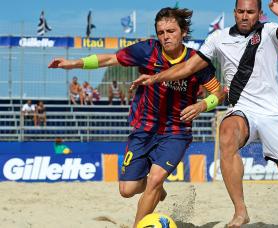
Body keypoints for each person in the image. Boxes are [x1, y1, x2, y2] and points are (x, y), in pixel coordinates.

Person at [132, 0, 278, 227]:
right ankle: (240, 211)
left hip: (273, 113)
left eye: (250, 12)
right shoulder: (217, 38)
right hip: (242, 109)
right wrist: (155, 77)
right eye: (240, 11)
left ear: (259, 13)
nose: (244, 16)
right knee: (227, 131)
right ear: (234, 12)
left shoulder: (270, 31)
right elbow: (189, 67)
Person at [48, 7, 225, 227]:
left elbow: (219, 92)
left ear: (183, 32)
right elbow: (110, 60)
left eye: (171, 31)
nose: (165, 36)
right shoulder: (147, 51)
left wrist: (202, 105)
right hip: (144, 129)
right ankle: (157, 190)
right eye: (161, 32)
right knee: (127, 189)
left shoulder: (196, 61)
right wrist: (74, 64)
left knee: (155, 179)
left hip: (176, 132)